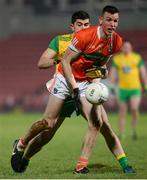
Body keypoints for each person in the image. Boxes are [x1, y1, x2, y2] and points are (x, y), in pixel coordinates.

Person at [11, 7, 134, 174]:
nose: (83, 28)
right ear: (72, 26)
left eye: (86, 24)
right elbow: (46, 63)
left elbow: (100, 63)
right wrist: (66, 74)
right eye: (79, 24)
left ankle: (99, 165)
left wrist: (97, 82)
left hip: (84, 84)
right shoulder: (64, 41)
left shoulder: (113, 41)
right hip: (64, 83)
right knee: (47, 127)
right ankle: (21, 147)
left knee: (100, 123)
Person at [110, 40, 147, 140]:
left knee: (134, 108)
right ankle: (121, 133)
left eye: (128, 47)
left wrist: (145, 84)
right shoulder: (117, 59)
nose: (126, 48)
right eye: (124, 47)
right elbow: (113, 73)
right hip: (122, 89)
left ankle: (134, 130)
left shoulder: (136, 58)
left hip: (135, 88)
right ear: (122, 48)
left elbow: (143, 72)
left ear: (131, 48)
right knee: (122, 111)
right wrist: (112, 86)